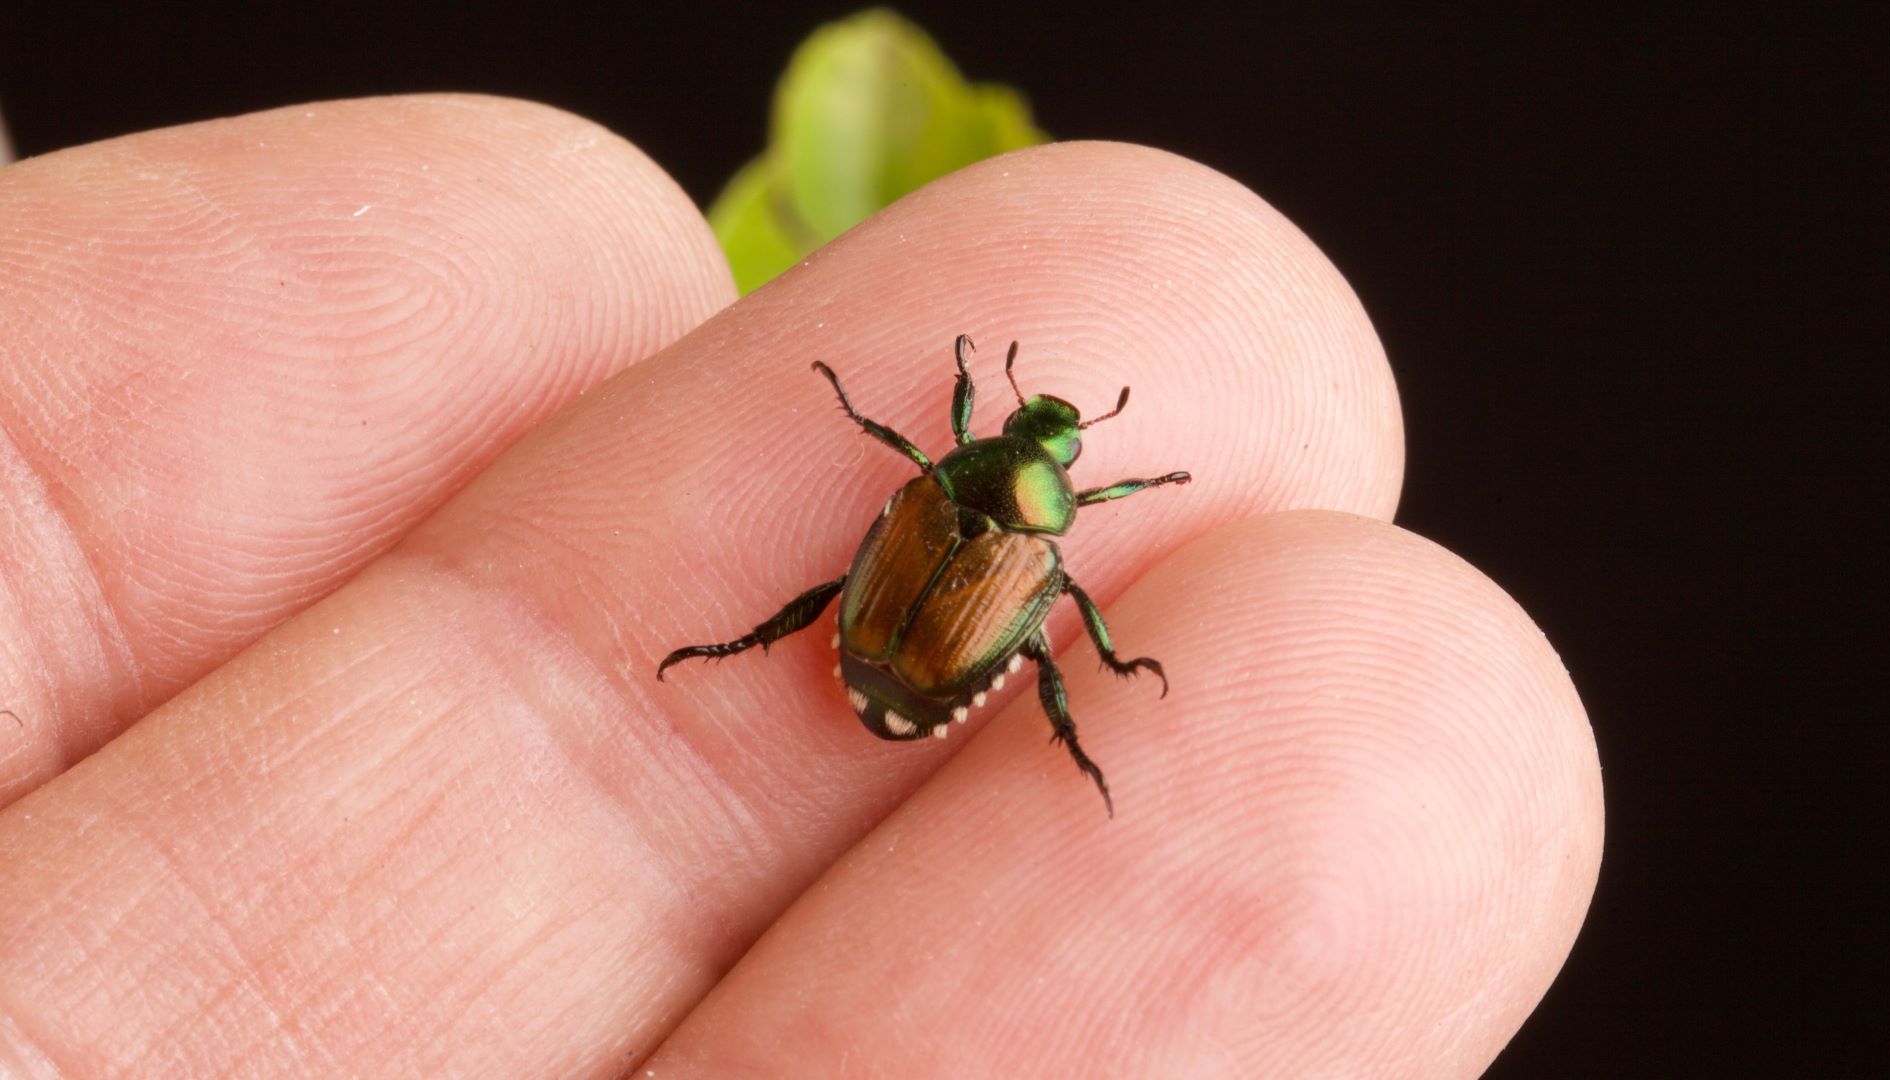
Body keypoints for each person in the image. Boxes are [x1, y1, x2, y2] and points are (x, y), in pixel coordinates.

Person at [0, 95, 1601, 1076]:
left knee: (1033, 637)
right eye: (1043, 429)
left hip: (909, 649)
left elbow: (944, 467)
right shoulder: (1034, 530)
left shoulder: (961, 490)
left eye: (1050, 437)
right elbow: (1003, 518)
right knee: (1054, 641)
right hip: (912, 656)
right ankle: (1012, 695)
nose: (1040, 441)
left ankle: (977, 689)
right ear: (1041, 460)